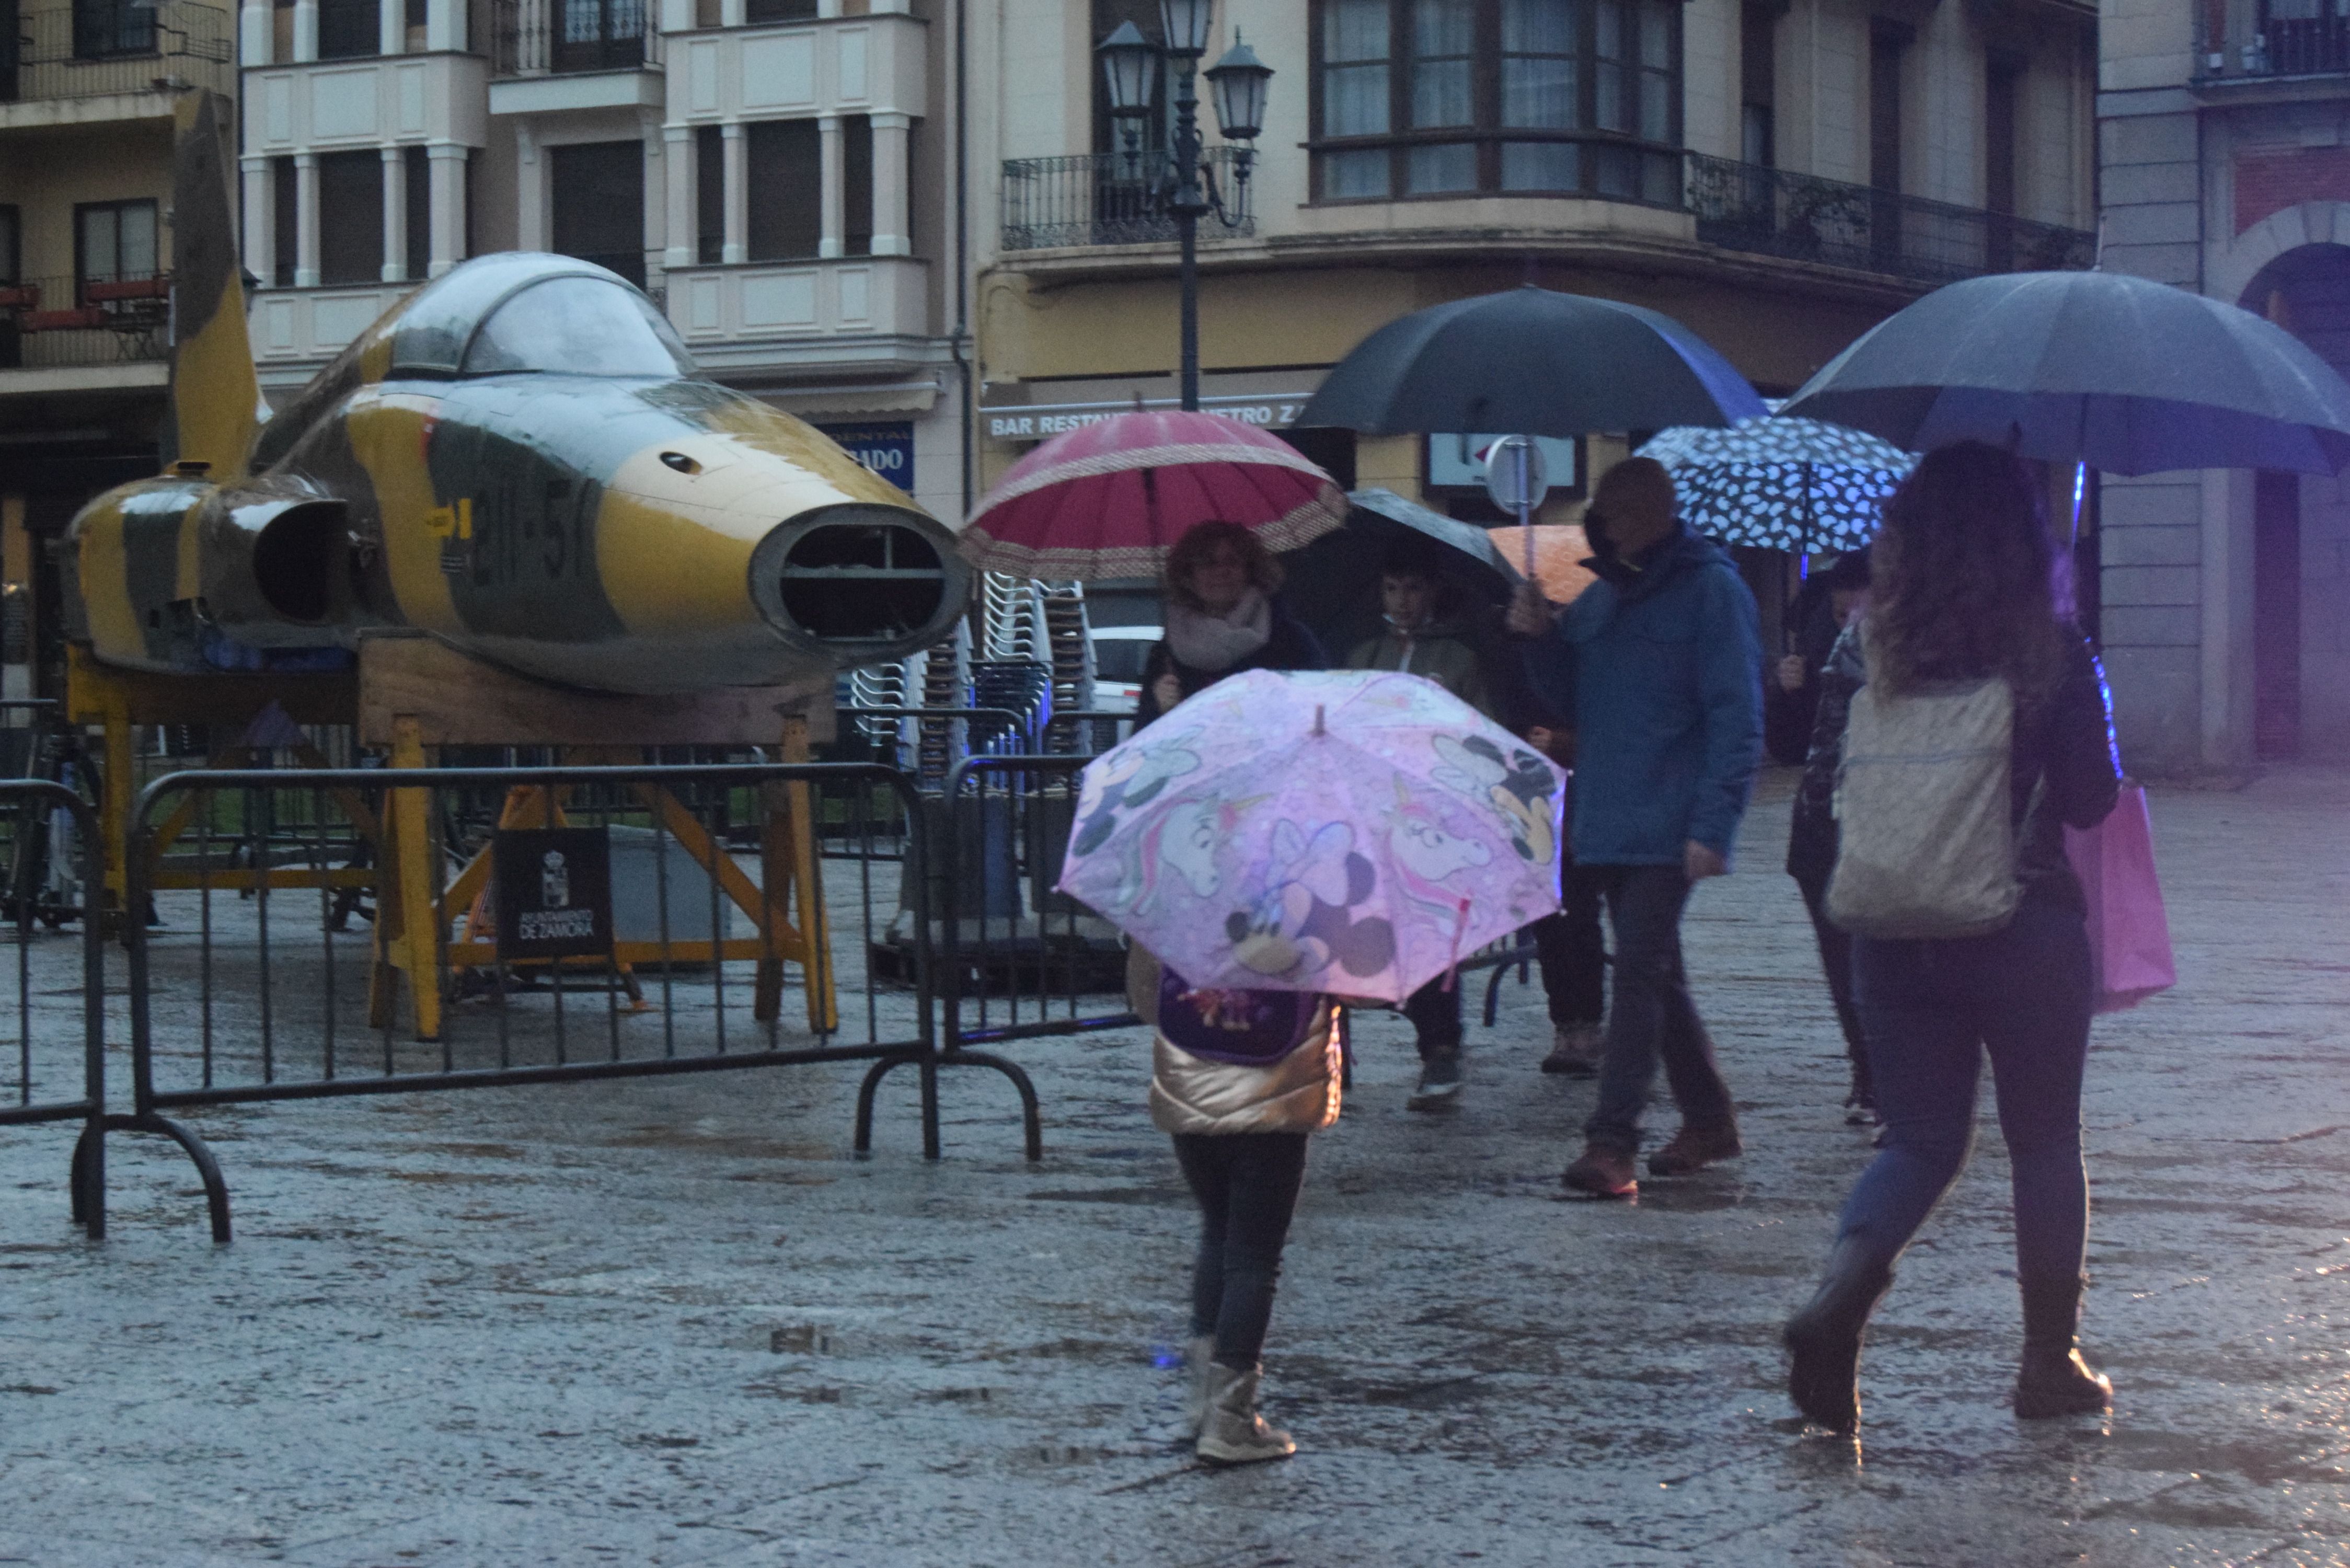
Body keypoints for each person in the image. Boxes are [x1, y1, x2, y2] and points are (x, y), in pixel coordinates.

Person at [1781, 441, 2122, 1435]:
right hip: (2024, 926)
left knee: (1921, 1140)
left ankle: (1837, 1300)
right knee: (2044, 1140)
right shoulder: (2053, 646)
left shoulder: (1862, 647)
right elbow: (2094, 801)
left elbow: (1817, 807)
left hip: (1888, 929)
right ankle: (2047, 1363)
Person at [1507, 457, 1762, 1200]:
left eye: (1618, 509)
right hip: (1613, 817)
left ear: (1655, 512)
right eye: (1603, 510)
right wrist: (1540, 636)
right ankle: (1710, 1119)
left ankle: (1612, 1138)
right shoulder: (1603, 594)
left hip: (1669, 819)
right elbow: (1569, 701)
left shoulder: (1711, 590)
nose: (1607, 520)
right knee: (1653, 971)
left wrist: (1714, 824)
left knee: (1642, 971)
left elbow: (1737, 715)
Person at [1132, 947, 1340, 1466]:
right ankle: (1231, 1420)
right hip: (1274, 1093)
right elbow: (1359, 985)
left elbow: (1143, 999)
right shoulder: (1311, 902)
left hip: (1190, 1094)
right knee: (1252, 1255)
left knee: (1218, 1232)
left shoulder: (1170, 898)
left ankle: (1203, 1404)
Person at [1344, 545, 1494, 1110]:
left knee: (1430, 939)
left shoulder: (1457, 658)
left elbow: (1479, 735)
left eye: (1411, 589)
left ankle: (1439, 1049)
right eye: (1391, 589)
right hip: (1370, 816)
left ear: (1430, 593)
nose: (1401, 602)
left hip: (1433, 821)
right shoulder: (1364, 655)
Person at [1769, 549, 1877, 1123]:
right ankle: (1866, 1069)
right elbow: (1790, 750)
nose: (1848, 622)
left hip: (1887, 828)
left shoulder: (1914, 655)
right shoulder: (1816, 652)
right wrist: (1788, 692)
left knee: (1885, 963)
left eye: (1857, 608)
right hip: (1821, 831)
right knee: (1841, 966)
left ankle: (1892, 1074)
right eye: (1838, 613)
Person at [1138, 521, 1324, 726]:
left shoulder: (1291, 640)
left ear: (1250, 571)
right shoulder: (1166, 654)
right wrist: (1162, 712)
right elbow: (1142, 745)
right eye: (1208, 563)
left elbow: (1320, 714)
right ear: (1188, 576)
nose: (1221, 571)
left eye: (1233, 561)